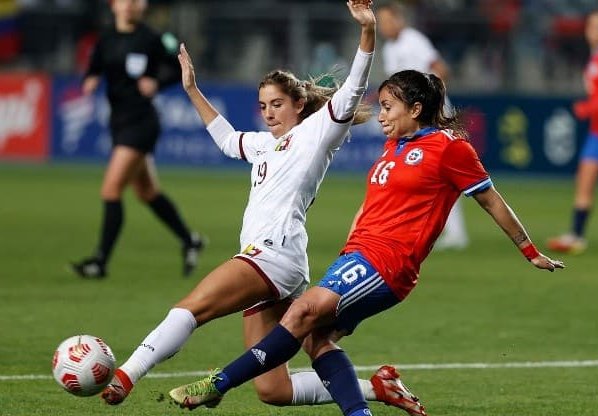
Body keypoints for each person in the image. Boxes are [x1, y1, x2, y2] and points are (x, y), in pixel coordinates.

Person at [167, 69, 565, 416]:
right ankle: (368, 403)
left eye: (389, 106)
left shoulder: (449, 147)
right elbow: (371, 206)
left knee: (302, 312)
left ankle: (219, 383)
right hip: (358, 256)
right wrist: (349, 244)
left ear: (415, 109)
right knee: (315, 338)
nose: (382, 115)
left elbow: (490, 198)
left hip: (389, 262)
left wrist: (529, 251)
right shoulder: (394, 148)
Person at [100, 1, 424, 413]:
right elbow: (225, 138)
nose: (269, 113)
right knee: (274, 390)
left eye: (277, 104)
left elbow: (356, 86)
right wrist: (191, 90)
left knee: (191, 308)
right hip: (279, 265)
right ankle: (378, 388)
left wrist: (367, 32)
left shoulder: (316, 132)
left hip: (273, 254)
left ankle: (126, 374)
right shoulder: (261, 144)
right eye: (264, 105)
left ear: (298, 105)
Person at [71, 0, 205, 278]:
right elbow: (95, 66)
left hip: (141, 123)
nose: (130, 5)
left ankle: (100, 262)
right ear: (113, 5)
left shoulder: (153, 38)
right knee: (146, 192)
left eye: (135, 1)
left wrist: (158, 82)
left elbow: (177, 67)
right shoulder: (106, 38)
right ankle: (190, 239)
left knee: (111, 190)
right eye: (124, 1)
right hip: (118, 122)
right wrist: (91, 79)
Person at [375, 1, 468, 251]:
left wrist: (429, 105)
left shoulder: (412, 40)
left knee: (443, 170)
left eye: (387, 20)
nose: (384, 27)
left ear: (399, 19)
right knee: (414, 169)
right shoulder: (390, 49)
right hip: (411, 116)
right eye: (380, 22)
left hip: (430, 114)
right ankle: (416, 228)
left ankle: (455, 232)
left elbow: (440, 70)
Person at [547, 8, 598, 255]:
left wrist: (588, 107)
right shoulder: (596, 56)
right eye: (590, 26)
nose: (592, 31)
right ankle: (576, 236)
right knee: (584, 181)